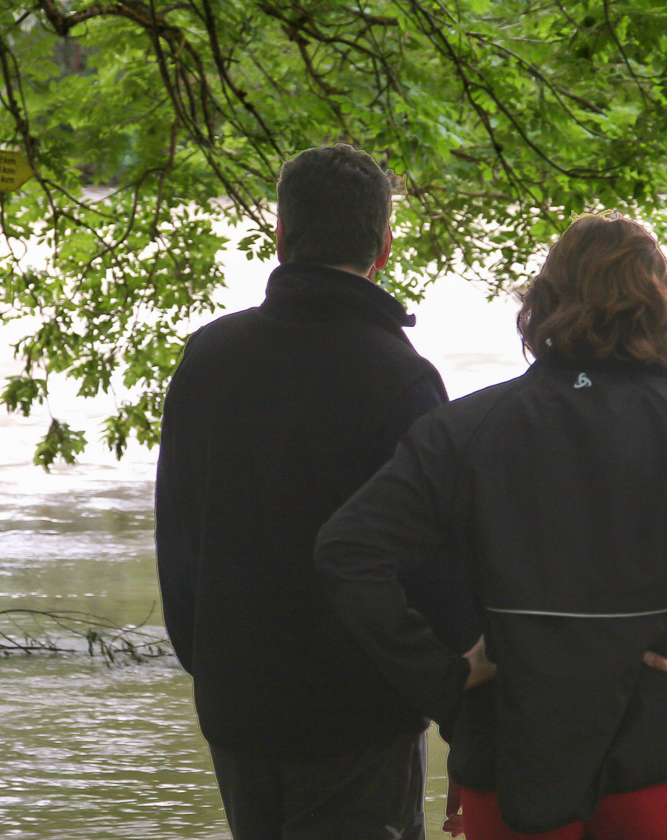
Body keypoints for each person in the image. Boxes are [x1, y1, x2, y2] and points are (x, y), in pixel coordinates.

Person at [314, 214, 667, 840]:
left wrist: (441, 677)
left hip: (512, 744)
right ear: (665, 309)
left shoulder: (465, 430)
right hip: (662, 749)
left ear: (541, 304)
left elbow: (348, 552)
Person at [156, 144, 482, 840]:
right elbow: (434, 565)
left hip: (237, 703)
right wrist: (457, 704)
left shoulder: (207, 358)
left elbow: (177, 538)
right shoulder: (401, 378)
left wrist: (212, 663)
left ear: (280, 237)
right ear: (384, 248)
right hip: (359, 718)